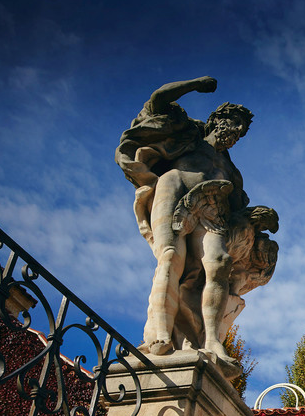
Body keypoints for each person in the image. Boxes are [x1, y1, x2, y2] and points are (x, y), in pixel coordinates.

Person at [116, 77, 276, 368]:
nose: (236, 132)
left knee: (219, 262)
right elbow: (158, 101)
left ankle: (212, 340)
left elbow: (235, 213)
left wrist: (255, 218)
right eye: (233, 123)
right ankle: (160, 332)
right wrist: (195, 85)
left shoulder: (231, 171)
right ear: (217, 120)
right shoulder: (189, 136)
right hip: (174, 188)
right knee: (170, 256)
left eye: (241, 130)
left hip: (212, 208)